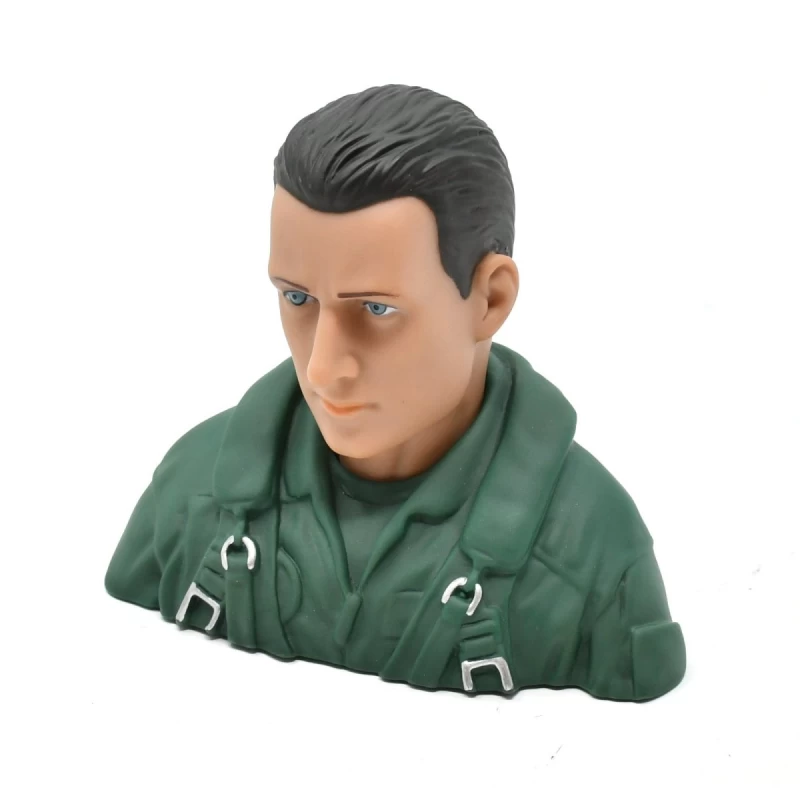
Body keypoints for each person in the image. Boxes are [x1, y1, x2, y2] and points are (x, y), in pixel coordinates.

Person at [105, 84, 686, 700]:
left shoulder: (593, 555)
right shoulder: (190, 495)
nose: (323, 368)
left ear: (489, 300)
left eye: (377, 309)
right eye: (297, 298)